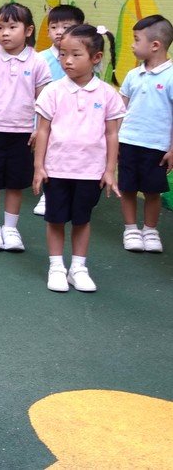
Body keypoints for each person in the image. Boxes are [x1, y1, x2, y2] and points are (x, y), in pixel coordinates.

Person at [33, 25, 125, 292]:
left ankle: (78, 268)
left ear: (96, 58)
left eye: (75, 55)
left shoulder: (107, 94)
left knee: (82, 220)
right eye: (63, 54)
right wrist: (39, 167)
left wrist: (110, 170)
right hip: (56, 169)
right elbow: (42, 131)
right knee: (55, 219)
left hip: (90, 171)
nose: (67, 61)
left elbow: (112, 134)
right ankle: (56, 267)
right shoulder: (52, 91)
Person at [0, 2, 51, 251]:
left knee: (16, 184)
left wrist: (39, 129)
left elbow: (43, 100)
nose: (5, 33)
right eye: (0, 28)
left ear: (28, 30)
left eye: (12, 27)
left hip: (24, 134)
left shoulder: (38, 62)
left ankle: (10, 228)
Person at [117, 14, 173, 253]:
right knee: (127, 187)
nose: (132, 45)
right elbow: (120, 109)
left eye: (136, 39)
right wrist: (114, 140)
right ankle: (131, 229)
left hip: (157, 147)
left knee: (152, 191)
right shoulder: (133, 75)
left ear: (155, 45)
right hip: (128, 142)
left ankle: (150, 230)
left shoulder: (171, 76)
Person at [33, 4, 85, 216]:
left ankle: (72, 192)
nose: (59, 32)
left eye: (66, 26)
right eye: (54, 27)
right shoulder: (40, 58)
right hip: (48, 117)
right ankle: (47, 195)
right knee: (48, 154)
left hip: (75, 117)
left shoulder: (86, 57)